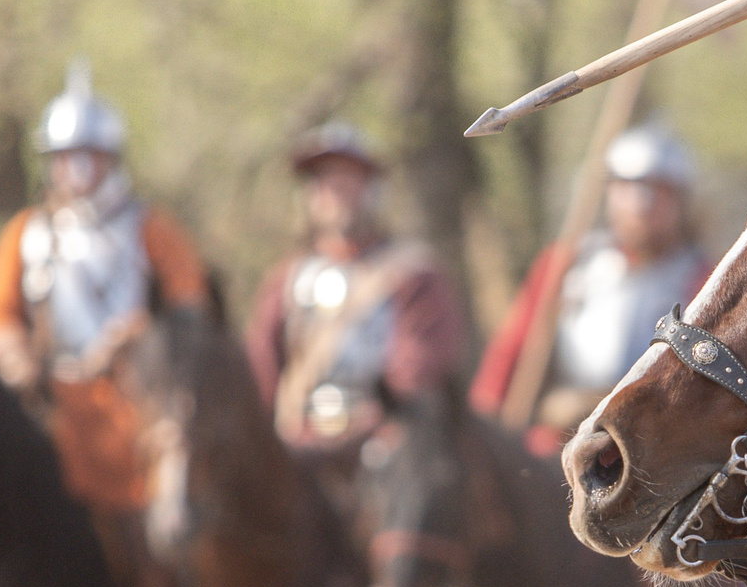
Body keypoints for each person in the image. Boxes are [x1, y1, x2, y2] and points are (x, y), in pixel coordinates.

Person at [0, 62, 208, 535]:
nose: (75, 168)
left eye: (87, 155)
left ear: (110, 158)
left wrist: (138, 335)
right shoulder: (26, 233)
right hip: (55, 408)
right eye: (64, 156)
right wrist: (14, 355)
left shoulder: (151, 228)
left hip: (137, 403)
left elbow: (191, 309)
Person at [472, 122, 711, 455]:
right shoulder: (564, 265)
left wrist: (592, 402)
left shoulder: (705, 278)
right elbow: (510, 354)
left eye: (659, 189)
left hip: (655, 450)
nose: (643, 204)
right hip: (558, 445)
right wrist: (484, 429)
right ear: (609, 192)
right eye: (630, 187)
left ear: (680, 199)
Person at [245, 124, 465, 450]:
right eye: (324, 181)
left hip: (383, 443)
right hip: (301, 444)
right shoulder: (286, 280)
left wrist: (380, 420)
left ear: (370, 189)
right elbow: (262, 367)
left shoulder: (412, 273)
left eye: (346, 180)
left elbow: (418, 368)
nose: (335, 192)